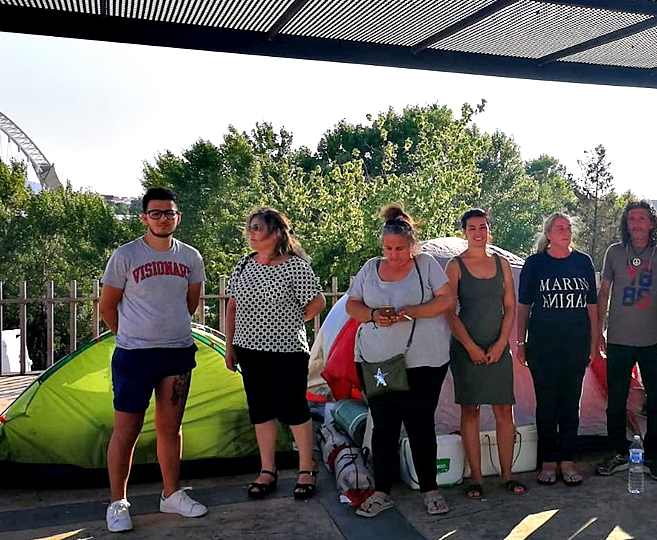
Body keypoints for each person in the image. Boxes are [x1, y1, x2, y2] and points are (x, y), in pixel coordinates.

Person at [99, 187, 208, 533]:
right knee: (126, 432)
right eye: (156, 213)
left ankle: (171, 494)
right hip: (133, 356)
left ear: (179, 217)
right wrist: (131, 336)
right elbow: (107, 306)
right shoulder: (125, 255)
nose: (163, 218)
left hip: (177, 352)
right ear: (144, 217)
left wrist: (166, 330)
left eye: (169, 213)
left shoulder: (191, 257)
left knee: (170, 429)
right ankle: (118, 503)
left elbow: (189, 303)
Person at [344, 204, 455, 517]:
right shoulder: (370, 268)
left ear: (412, 245)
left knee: (420, 424)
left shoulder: (427, 265)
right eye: (388, 248)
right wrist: (373, 315)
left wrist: (413, 311)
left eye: (400, 249)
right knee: (384, 425)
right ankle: (382, 491)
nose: (393, 255)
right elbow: (352, 306)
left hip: (425, 360)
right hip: (377, 360)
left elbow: (447, 300)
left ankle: (430, 489)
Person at [223, 208, 326, 501]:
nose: (251, 232)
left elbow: (317, 303)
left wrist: (289, 321)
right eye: (250, 227)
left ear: (276, 233)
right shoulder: (243, 265)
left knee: (293, 408)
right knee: (261, 409)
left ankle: (306, 467)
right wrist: (230, 346)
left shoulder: (295, 267)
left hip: (287, 351)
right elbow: (232, 306)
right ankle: (268, 470)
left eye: (257, 227)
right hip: (249, 350)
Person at [444, 208, 527, 499]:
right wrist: (470, 346)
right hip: (468, 348)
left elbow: (510, 307)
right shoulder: (455, 266)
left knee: (504, 410)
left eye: (483, 227)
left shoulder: (502, 264)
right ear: (464, 232)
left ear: (489, 230)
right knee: (470, 410)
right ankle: (476, 479)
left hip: (497, 348)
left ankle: (507, 474)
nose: (478, 232)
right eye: (472, 228)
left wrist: (501, 343)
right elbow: (449, 311)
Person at [514, 212, 599, 488]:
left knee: (570, 404)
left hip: (576, 343)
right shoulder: (535, 264)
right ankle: (549, 461)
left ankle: (567, 460)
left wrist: (595, 340)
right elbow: (524, 305)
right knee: (547, 404)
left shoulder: (583, 262)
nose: (566, 232)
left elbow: (592, 305)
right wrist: (520, 341)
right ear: (548, 234)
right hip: (542, 344)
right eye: (560, 228)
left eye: (569, 228)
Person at [595, 199, 657, 482]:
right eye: (631, 219)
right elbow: (603, 293)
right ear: (625, 225)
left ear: (652, 223)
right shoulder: (615, 253)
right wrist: (599, 332)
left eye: (641, 219)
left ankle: (653, 456)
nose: (636, 224)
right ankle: (618, 451)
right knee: (615, 399)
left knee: (656, 403)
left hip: (653, 340)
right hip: (618, 338)